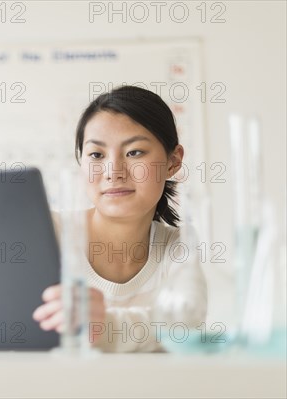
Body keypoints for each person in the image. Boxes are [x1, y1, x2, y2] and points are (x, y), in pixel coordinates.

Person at [33, 85, 208, 352]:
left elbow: (185, 324)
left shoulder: (180, 246)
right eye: (96, 155)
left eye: (134, 152)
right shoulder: (47, 233)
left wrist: (101, 327)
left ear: (173, 161)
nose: (113, 171)